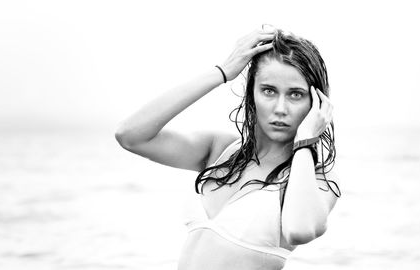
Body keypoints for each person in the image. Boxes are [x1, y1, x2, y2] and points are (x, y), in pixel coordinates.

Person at [115, 25, 341, 270]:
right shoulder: (221, 150)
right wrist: (222, 72)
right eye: (268, 91)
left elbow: (300, 230)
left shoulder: (319, 178)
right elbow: (130, 135)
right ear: (251, 93)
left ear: (317, 101)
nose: (280, 108)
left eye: (295, 94)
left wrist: (306, 139)